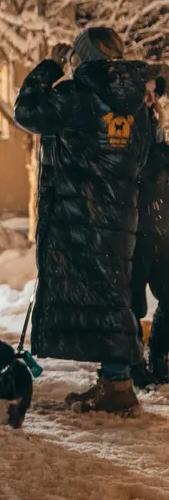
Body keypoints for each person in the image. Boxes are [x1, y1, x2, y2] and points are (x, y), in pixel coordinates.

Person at [15, 27, 152, 415]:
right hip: (119, 212)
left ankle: (118, 385)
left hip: (80, 212)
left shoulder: (77, 96)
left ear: (82, 56)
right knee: (111, 292)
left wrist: (47, 68)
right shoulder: (136, 100)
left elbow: (26, 111)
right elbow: (139, 156)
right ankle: (115, 379)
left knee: (98, 294)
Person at [132, 68, 169, 387]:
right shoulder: (126, 125)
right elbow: (133, 170)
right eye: (146, 90)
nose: (151, 98)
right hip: (131, 230)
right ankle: (133, 364)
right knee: (132, 304)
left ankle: (159, 355)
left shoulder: (155, 127)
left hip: (159, 227)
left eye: (155, 92)